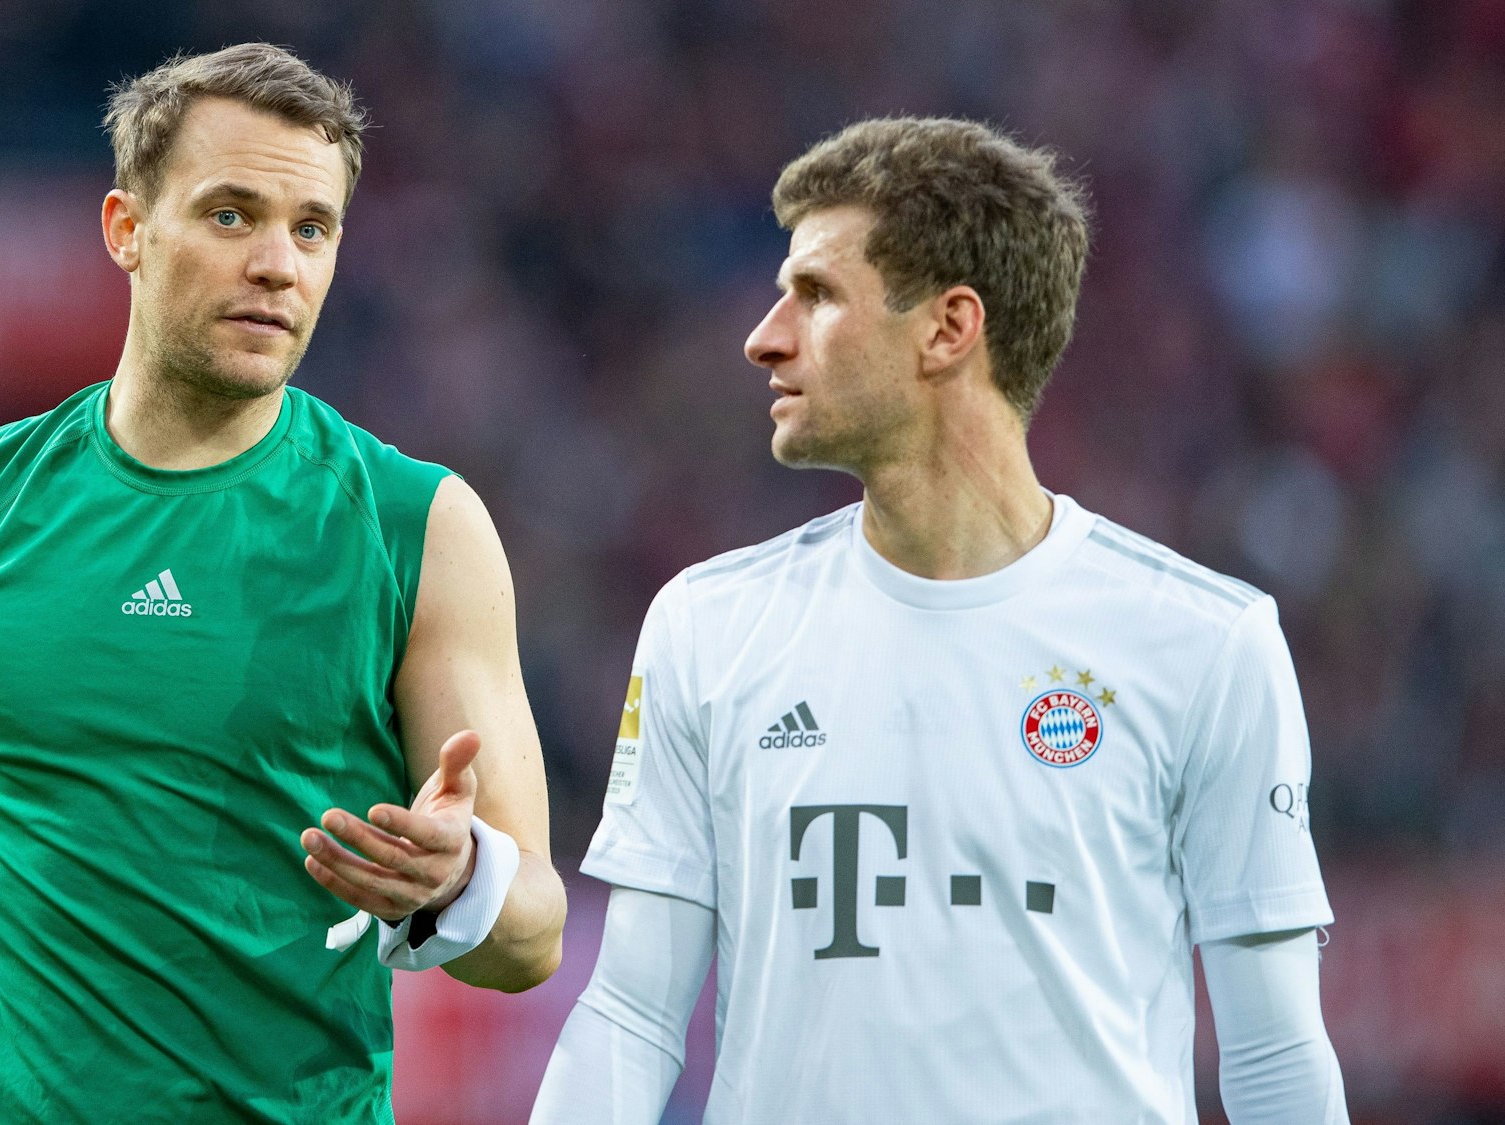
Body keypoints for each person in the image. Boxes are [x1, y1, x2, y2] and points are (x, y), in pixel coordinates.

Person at [0, 43, 565, 1124]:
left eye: (311, 229)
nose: (278, 263)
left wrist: (462, 883)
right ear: (127, 229)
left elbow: (531, 936)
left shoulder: (419, 528)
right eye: (231, 215)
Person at [532, 117, 1346, 1123]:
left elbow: (1271, 1052)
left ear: (947, 328)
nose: (764, 335)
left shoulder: (1202, 642)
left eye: (816, 295)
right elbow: (629, 1014)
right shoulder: (709, 626)